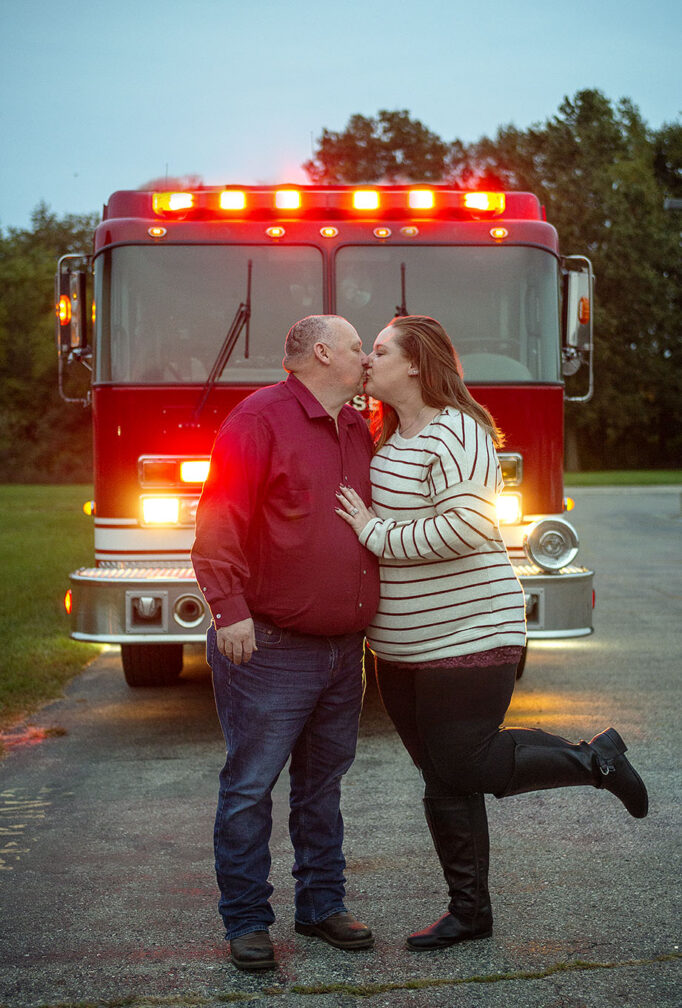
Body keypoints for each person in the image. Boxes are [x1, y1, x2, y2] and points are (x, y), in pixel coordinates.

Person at [335, 315, 648, 952]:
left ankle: (596, 762)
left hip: (470, 632)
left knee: (463, 760)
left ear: (417, 364)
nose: (369, 359)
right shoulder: (390, 439)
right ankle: (469, 914)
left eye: (380, 349)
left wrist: (373, 533)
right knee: (443, 775)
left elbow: (467, 528)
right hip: (399, 646)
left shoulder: (460, 433)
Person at [191, 314, 380, 971]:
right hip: (269, 647)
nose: (367, 357)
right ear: (323, 352)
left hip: (341, 650)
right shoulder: (259, 419)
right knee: (250, 787)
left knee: (321, 789)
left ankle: (322, 906)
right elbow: (219, 514)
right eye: (360, 347)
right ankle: (247, 923)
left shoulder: (357, 427)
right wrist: (229, 607)